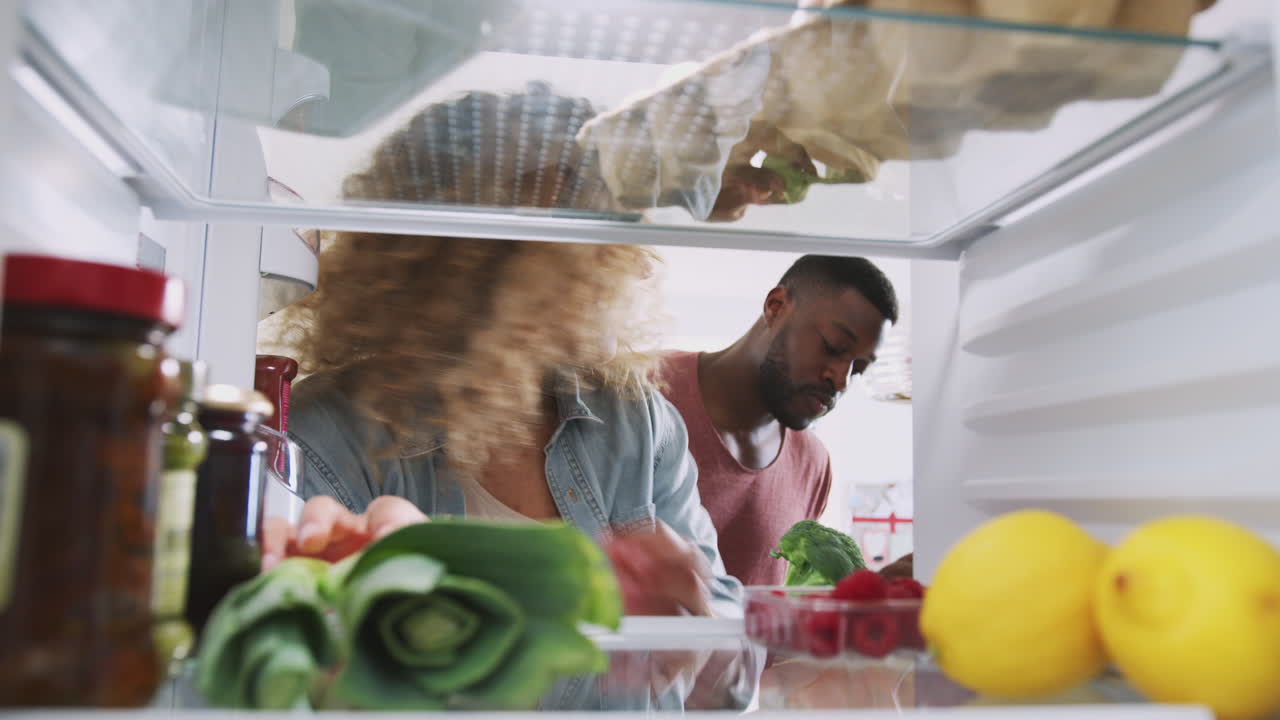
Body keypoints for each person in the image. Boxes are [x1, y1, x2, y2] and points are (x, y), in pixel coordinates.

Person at [260, 84, 755, 710]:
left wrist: (698, 629)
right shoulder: (325, 436)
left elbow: (735, 681)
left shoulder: (637, 422)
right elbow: (292, 683)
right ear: (471, 251)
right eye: (589, 227)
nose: (625, 261)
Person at [658, 254, 902, 587]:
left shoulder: (813, 464)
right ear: (776, 306)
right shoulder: (641, 389)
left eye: (857, 369)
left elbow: (778, 607)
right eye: (832, 347)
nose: (841, 381)